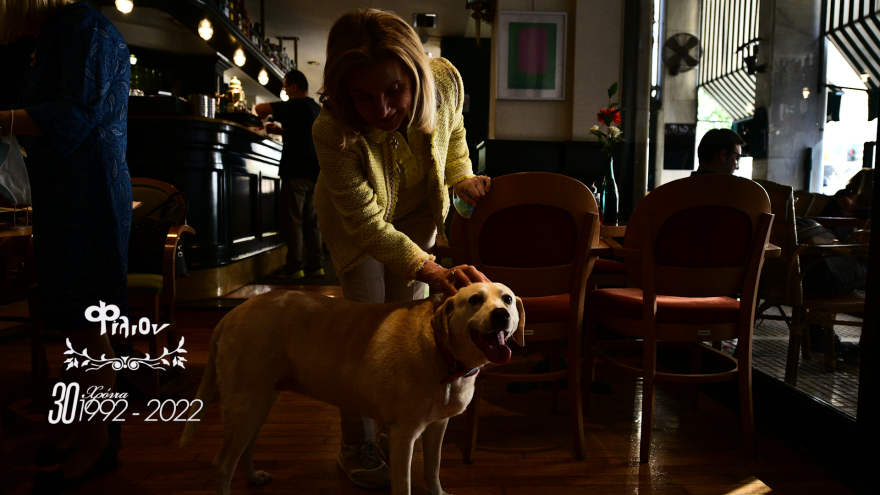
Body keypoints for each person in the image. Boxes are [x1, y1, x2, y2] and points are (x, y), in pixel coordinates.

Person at [313, 9, 491, 489]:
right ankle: (356, 445)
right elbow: (368, 225)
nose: (383, 108)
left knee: (411, 333)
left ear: (415, 72)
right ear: (343, 92)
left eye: (394, 90)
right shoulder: (331, 130)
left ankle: (400, 427)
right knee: (364, 338)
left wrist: (461, 176)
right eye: (364, 96)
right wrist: (430, 269)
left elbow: (454, 136)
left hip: (417, 216)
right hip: (359, 230)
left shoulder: (446, 81)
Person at [0, 1, 131, 493]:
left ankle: (100, 444)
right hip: (69, 195)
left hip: (87, 197)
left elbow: (75, 114)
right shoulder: (61, 28)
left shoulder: (82, 26)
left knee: (89, 328)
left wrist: (5, 119)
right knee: (76, 328)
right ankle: (86, 434)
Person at [254, 70, 324, 278]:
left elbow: (259, 109)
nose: (285, 90)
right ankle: (316, 265)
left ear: (294, 87)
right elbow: (306, 134)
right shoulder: (316, 108)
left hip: (295, 172)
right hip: (314, 173)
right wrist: (283, 132)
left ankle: (295, 267)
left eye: (286, 86)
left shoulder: (294, 105)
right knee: (312, 221)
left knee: (293, 220)